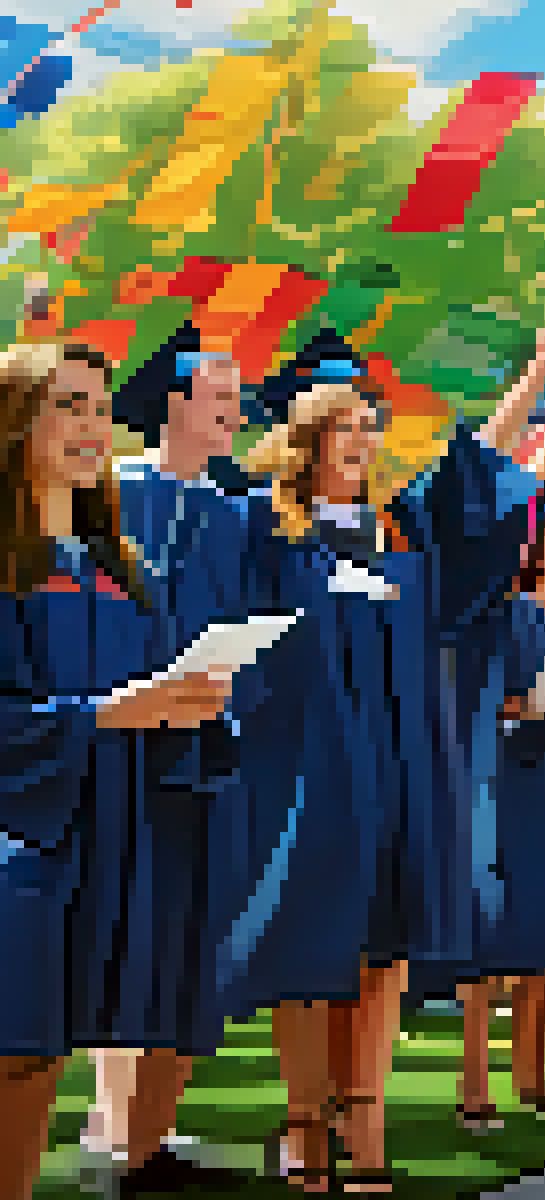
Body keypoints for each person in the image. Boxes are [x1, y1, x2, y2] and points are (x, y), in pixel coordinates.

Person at [223, 329, 545, 1195]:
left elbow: (482, 462)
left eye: (368, 423)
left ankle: (365, 1117)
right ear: (305, 437)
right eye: (341, 423)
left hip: (399, 763)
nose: (360, 436)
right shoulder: (265, 531)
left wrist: (536, 375)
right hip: (306, 770)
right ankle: (306, 1120)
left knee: (381, 950)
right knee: (313, 945)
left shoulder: (403, 530)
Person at [0, 342, 237, 1200]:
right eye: (66, 405)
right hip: (19, 839)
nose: (89, 426)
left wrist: (190, 707)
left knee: (36, 1060)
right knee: (15, 1050)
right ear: (16, 420)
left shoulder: (116, 570)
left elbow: (140, 704)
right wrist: (111, 712)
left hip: (95, 838)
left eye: (98, 408)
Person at [86, 325, 259, 1194]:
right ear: (174, 402)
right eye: (216, 391)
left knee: (187, 948)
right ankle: (114, 1130)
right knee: (124, 939)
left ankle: (148, 1142)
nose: (231, 405)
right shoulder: (112, 494)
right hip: (118, 747)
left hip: (203, 754)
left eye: (235, 393)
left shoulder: (234, 513)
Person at [453, 488, 545, 1130]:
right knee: (494, 943)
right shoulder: (502, 615)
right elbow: (472, 697)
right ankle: (474, 1087)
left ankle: (534, 1081)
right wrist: (521, 708)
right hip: (507, 785)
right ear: (534, 547)